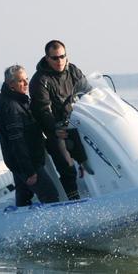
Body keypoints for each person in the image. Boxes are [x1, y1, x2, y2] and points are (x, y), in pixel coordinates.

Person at [29, 40, 92, 200]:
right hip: (55, 130)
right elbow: (42, 110)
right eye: (55, 58)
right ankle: (73, 201)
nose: (59, 61)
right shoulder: (40, 80)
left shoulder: (73, 71)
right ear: (47, 58)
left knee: (91, 157)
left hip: (76, 123)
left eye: (62, 56)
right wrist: (56, 128)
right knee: (67, 167)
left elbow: (88, 92)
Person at [0, 64, 59, 206]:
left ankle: (17, 225)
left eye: (26, 79)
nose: (25, 83)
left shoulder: (17, 100)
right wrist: (29, 171)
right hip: (27, 163)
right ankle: (58, 228)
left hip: (20, 162)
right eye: (20, 81)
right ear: (11, 84)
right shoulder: (11, 106)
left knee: (24, 197)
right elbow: (16, 141)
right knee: (50, 195)